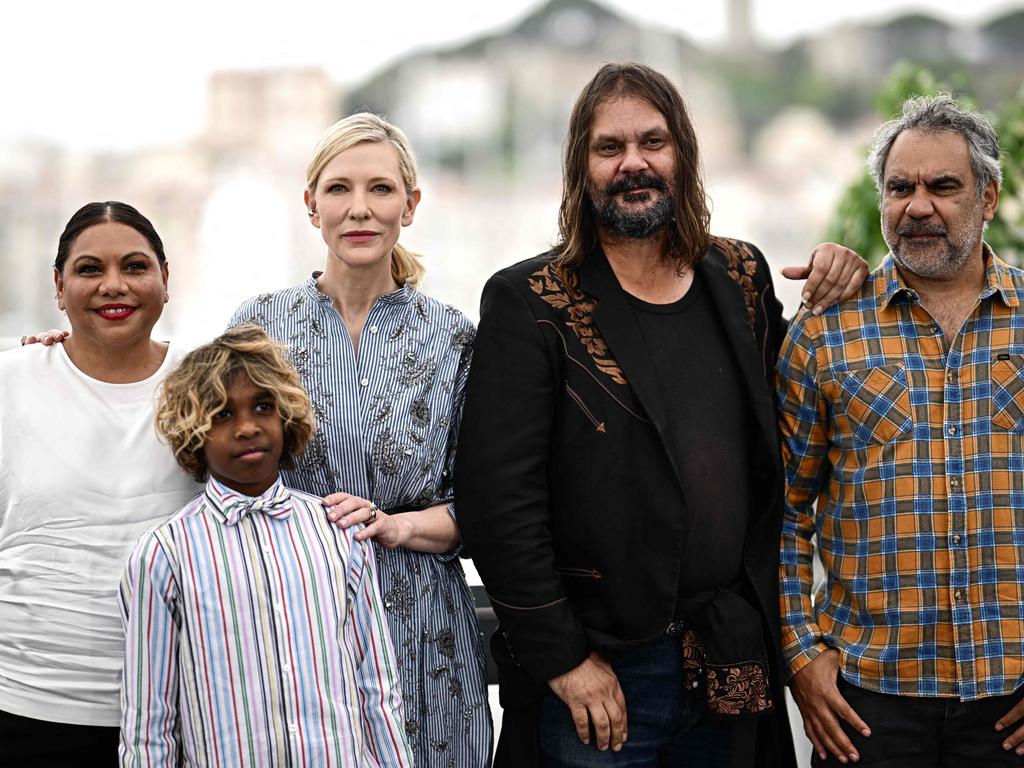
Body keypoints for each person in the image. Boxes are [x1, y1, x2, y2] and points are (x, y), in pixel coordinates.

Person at [455, 62, 868, 767]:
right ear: (581, 168)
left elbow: (797, 411)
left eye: (653, 142)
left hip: (731, 654)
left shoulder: (739, 276)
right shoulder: (529, 301)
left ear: (683, 154)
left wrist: (840, 277)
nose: (633, 163)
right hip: (603, 672)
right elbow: (498, 503)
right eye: (609, 147)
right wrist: (565, 662)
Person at [229, 112, 492, 766]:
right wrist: (69, 351)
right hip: (288, 626)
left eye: (380, 189)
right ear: (312, 204)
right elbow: (202, 457)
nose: (359, 209)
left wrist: (396, 527)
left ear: (411, 204)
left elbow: (483, 506)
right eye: (340, 189)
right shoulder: (257, 326)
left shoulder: (456, 338)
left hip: (425, 635)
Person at [777, 94, 1024, 766]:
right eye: (899, 188)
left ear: (989, 197)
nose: (919, 206)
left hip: (1012, 701)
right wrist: (801, 654)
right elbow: (784, 512)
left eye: (943, 186)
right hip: (865, 704)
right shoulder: (825, 330)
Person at [119, 324, 413, 767]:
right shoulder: (164, 555)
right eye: (221, 415)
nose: (247, 428)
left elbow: (377, 686)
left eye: (262, 407)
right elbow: (149, 722)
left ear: (286, 417)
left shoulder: (338, 533)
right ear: (193, 434)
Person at [0, 202, 199, 765]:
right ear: (59, 288)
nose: (115, 285)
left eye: (135, 267)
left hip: (178, 714)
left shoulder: (209, 382)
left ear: (166, 281)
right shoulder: (10, 380)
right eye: (89, 270)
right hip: (24, 707)